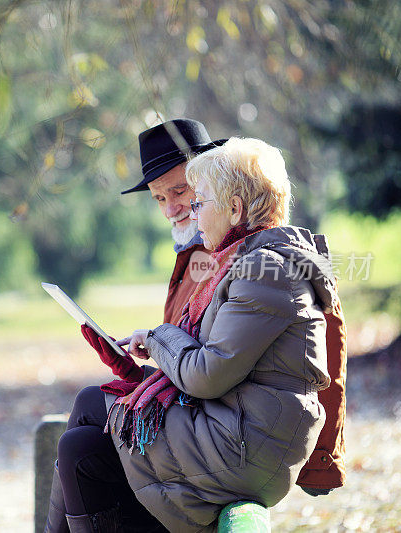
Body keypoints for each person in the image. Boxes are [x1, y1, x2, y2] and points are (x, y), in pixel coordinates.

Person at [57, 136, 342, 532]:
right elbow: (213, 369)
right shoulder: (242, 262)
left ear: (234, 208)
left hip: (244, 446)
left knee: (81, 446)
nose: (190, 212)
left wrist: (157, 338)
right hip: (233, 427)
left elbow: (205, 376)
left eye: (197, 201)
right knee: (82, 439)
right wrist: (138, 367)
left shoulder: (263, 271)